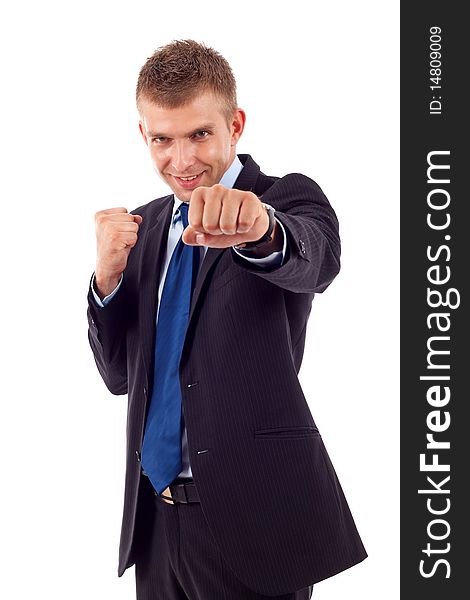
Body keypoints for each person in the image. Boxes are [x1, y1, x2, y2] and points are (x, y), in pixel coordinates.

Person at [87, 39, 367, 600]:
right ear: (144, 134)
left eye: (200, 135)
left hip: (252, 525)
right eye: (163, 139)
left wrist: (261, 230)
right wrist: (106, 281)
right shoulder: (141, 230)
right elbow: (119, 376)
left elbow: (316, 259)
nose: (182, 160)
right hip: (157, 524)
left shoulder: (283, 199)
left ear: (235, 124)